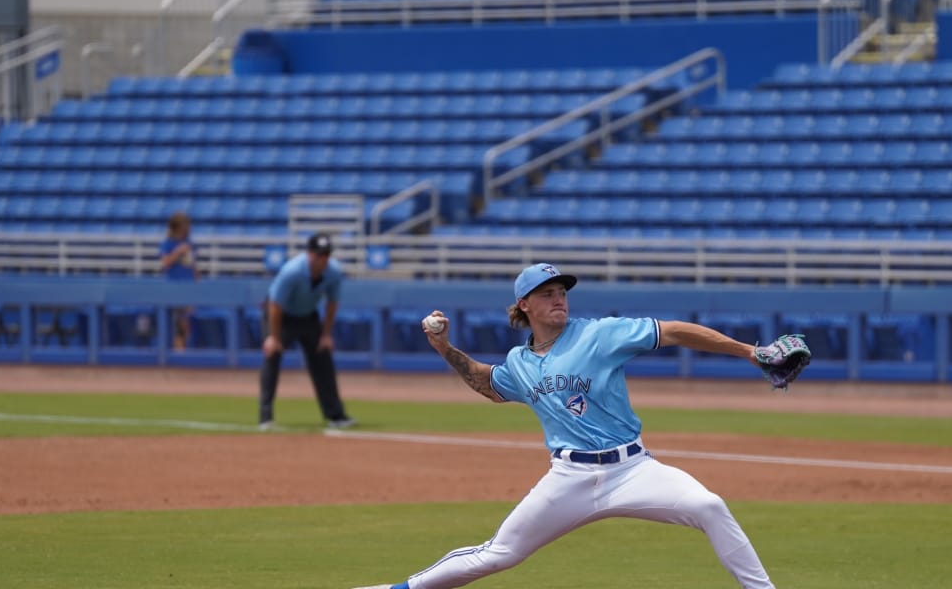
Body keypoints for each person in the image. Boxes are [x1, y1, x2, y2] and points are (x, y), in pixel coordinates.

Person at [353, 263, 779, 589]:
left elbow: (675, 332)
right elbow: (487, 382)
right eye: (547, 293)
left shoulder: (600, 335)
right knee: (498, 554)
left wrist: (750, 353)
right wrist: (444, 347)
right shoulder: (520, 363)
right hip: (569, 478)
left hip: (633, 470)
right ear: (525, 305)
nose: (559, 298)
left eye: (562, 291)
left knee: (709, 506)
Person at [259, 232, 356, 431]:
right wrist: (273, 337)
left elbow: (332, 302)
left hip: (308, 316)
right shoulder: (292, 271)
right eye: (319, 254)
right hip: (281, 316)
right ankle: (265, 416)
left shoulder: (334, 272)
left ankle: (336, 415)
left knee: (323, 359)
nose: (323, 259)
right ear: (309, 254)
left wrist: (326, 334)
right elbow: (275, 305)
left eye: (326, 255)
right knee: (273, 356)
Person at [158, 211, 199, 352]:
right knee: (177, 322)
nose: (188, 228)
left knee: (187, 322)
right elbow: (164, 263)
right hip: (174, 289)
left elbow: (193, 265)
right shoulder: (167, 244)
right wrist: (178, 252)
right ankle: (178, 351)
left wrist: (198, 282)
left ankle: (184, 350)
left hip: (189, 289)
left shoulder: (190, 244)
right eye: (185, 225)